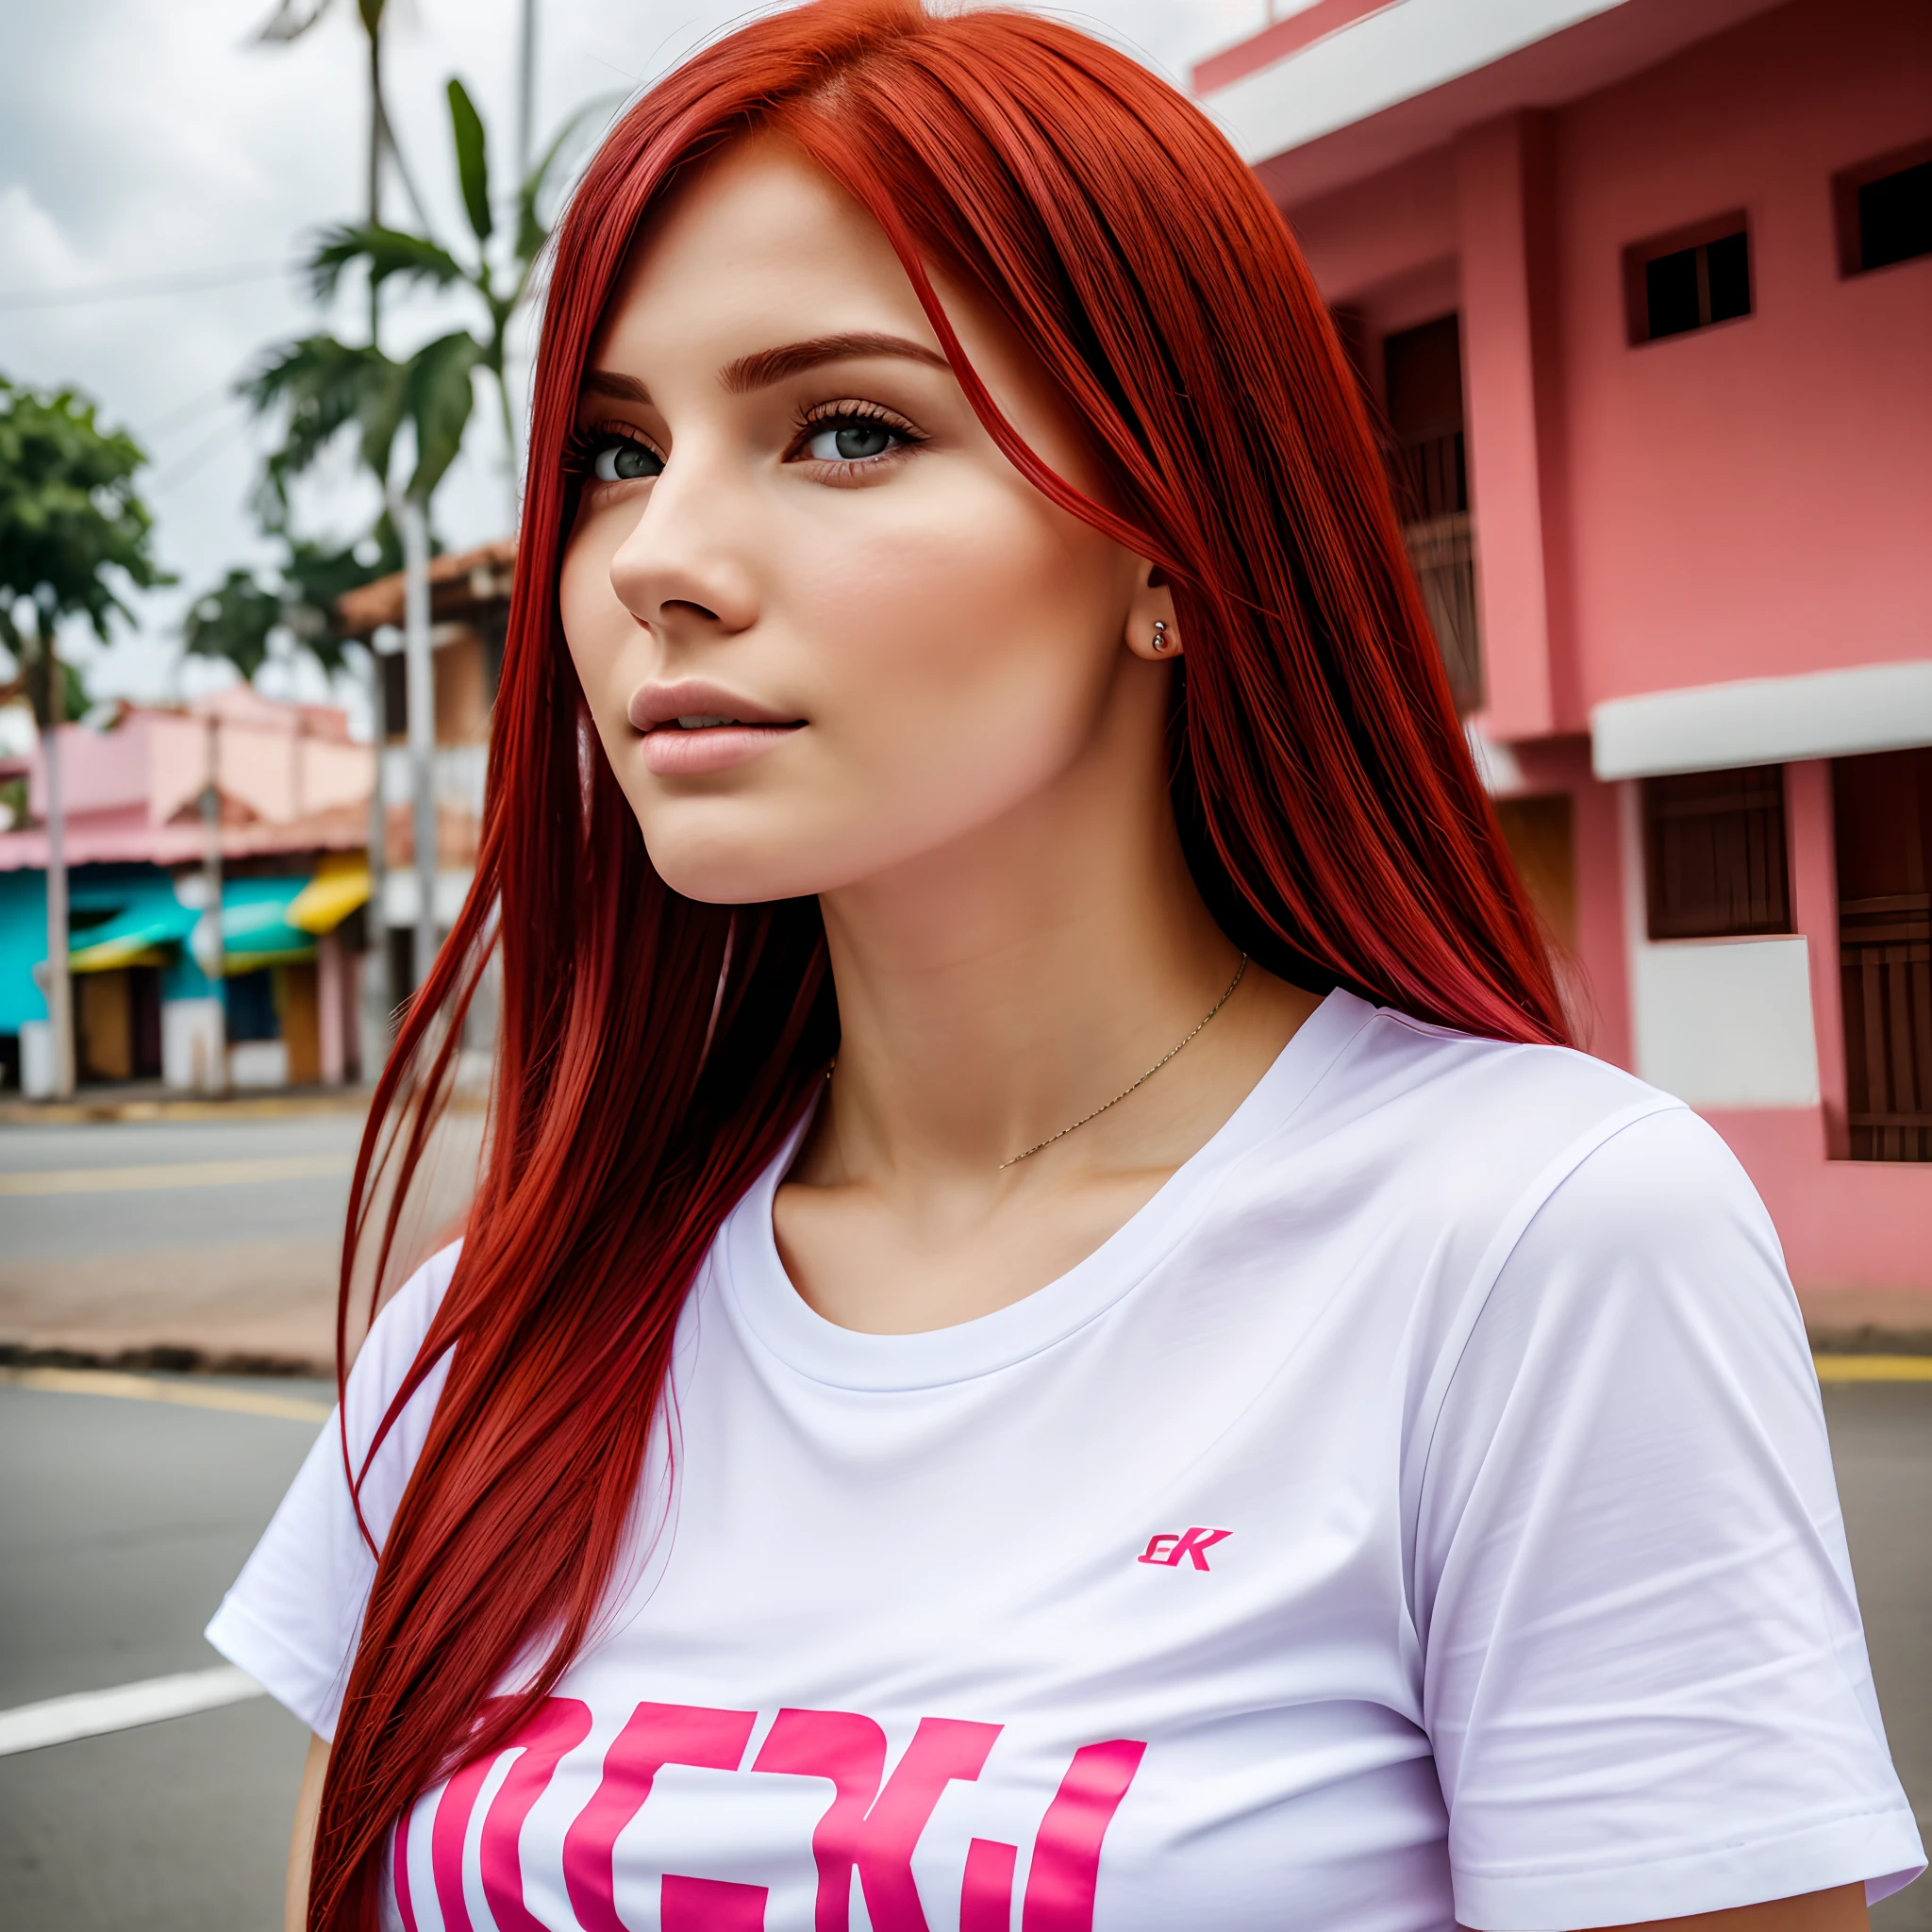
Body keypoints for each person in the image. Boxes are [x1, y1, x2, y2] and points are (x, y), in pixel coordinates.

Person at [208, 5, 1924, 1928]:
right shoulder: (492, 1339)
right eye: (615, 449)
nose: (650, 557)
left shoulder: (1534, 1240)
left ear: (1164, 544)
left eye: (845, 428)